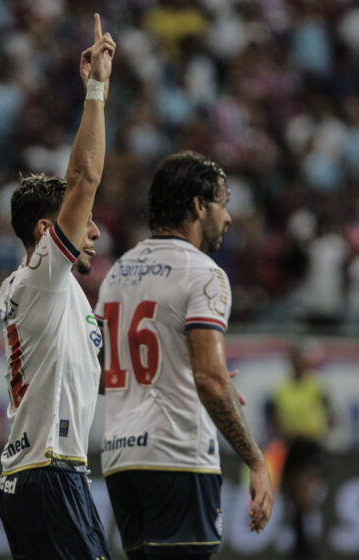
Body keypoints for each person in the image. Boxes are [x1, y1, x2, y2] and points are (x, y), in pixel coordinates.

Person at [95, 151, 274, 559]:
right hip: (177, 456)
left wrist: (181, 368)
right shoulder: (203, 272)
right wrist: (256, 461)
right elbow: (210, 380)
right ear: (198, 205)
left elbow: (100, 376)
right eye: (222, 204)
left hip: (122, 460)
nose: (227, 218)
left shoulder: (119, 273)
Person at [0, 14, 116, 560]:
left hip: (53, 475)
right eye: (82, 219)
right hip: (48, 474)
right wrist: (97, 87)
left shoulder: (64, 299)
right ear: (47, 232)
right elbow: (85, 178)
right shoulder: (40, 278)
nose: (94, 230)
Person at [266, 343, 335, 559]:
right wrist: (282, 432)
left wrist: (316, 427)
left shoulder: (316, 386)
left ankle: (303, 548)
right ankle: (301, 546)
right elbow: (273, 418)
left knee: (303, 495)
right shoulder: (281, 389)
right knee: (293, 499)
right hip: (289, 447)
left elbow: (332, 415)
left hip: (310, 446)